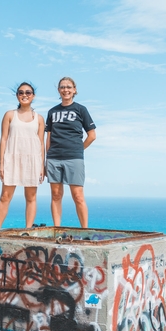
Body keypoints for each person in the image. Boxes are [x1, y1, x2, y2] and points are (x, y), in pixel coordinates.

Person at [45, 77, 96, 228]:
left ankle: (85, 230)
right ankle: (57, 228)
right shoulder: (52, 112)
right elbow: (48, 137)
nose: (65, 90)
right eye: (62, 87)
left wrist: (79, 149)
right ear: (58, 90)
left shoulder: (81, 109)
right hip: (54, 158)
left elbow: (92, 135)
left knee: (78, 196)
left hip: (74, 158)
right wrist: (47, 158)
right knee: (55, 195)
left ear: (74, 90)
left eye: (69, 87)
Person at [0, 82, 45, 229]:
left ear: (33, 96)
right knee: (5, 196)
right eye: (21, 92)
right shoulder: (10, 115)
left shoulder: (39, 118)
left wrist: (42, 166)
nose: (24, 95)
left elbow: (41, 143)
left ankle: (28, 229)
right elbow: (3, 139)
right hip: (12, 158)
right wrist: (1, 163)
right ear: (17, 96)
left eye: (28, 92)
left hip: (32, 160)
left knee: (31, 197)